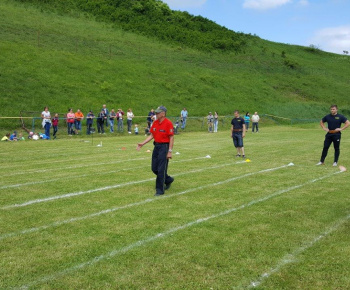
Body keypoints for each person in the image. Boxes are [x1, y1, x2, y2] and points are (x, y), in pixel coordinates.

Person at [137, 106, 174, 196]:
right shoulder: (155, 122)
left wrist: (169, 151)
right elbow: (152, 135)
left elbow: (171, 137)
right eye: (156, 112)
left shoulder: (168, 123)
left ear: (163, 113)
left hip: (164, 147)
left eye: (158, 113)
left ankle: (160, 190)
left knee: (161, 170)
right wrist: (142, 143)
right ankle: (168, 179)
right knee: (154, 168)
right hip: (156, 146)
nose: (156, 114)